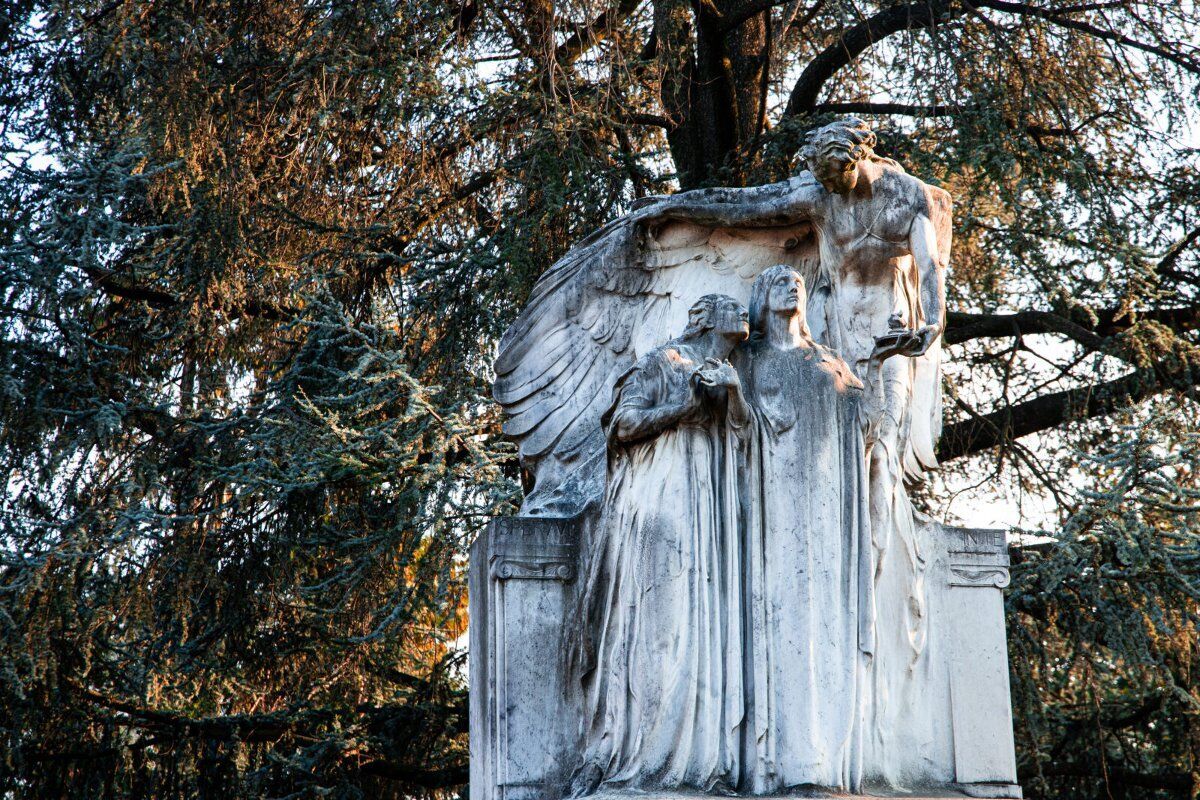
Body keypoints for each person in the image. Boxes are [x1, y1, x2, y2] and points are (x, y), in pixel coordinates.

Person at [737, 265, 923, 794]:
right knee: (778, 621)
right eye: (777, 282)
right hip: (772, 513)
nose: (791, 286)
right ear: (759, 300)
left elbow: (866, 424)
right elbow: (732, 427)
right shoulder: (747, 361)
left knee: (825, 626)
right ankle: (779, 764)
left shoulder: (831, 362)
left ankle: (821, 761)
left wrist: (880, 362)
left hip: (827, 514)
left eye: (795, 282)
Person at [569, 294, 751, 796]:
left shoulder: (725, 369)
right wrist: (684, 407)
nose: (743, 313)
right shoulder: (664, 360)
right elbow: (623, 425)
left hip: (707, 510)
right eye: (729, 306)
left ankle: (699, 762)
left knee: (700, 626)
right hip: (659, 501)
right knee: (659, 625)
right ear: (703, 316)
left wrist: (730, 398)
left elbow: (744, 439)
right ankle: (643, 755)